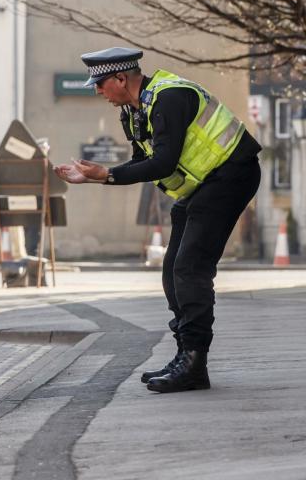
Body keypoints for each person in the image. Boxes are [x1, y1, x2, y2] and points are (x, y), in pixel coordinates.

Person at [53, 47, 261, 394]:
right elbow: (140, 162)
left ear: (121, 78)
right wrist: (95, 176)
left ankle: (195, 363)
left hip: (231, 175)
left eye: (100, 84)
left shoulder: (170, 97)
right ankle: (184, 354)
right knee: (171, 271)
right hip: (202, 186)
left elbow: (163, 163)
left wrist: (105, 174)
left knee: (190, 267)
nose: (97, 91)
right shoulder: (133, 112)